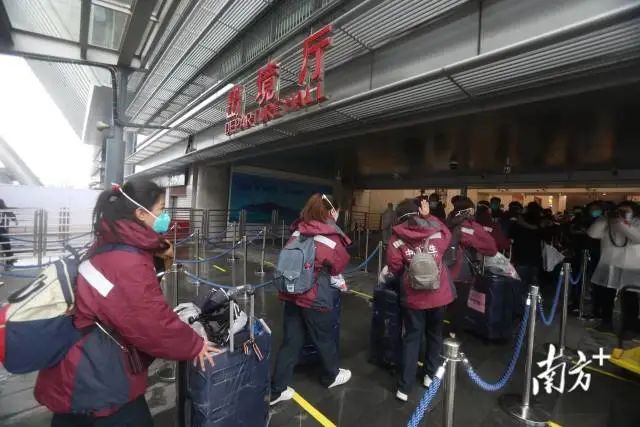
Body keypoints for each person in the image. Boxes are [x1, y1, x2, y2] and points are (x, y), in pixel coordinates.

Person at [35, 180, 217, 426]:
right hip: (97, 375)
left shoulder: (111, 242)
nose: (165, 216)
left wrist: (157, 255)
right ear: (141, 213)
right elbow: (150, 322)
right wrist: (194, 345)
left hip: (79, 366)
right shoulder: (127, 260)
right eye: (161, 209)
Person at [270, 194, 352, 405]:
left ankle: (277, 389)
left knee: (291, 342)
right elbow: (339, 264)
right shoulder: (329, 236)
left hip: (291, 293)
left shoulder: (297, 231)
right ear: (332, 211)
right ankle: (331, 375)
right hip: (314, 297)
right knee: (324, 338)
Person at [382, 198, 452, 402]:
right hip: (439, 295)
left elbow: (395, 266)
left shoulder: (396, 238)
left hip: (413, 297)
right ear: (418, 213)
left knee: (412, 338)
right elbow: (447, 236)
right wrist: (429, 216)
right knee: (435, 335)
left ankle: (404, 388)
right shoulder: (436, 231)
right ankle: (429, 376)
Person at [588, 201, 640, 335]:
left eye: (625, 211)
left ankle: (629, 327)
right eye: (619, 211)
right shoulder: (609, 222)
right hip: (609, 264)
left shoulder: (637, 223)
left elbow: (637, 237)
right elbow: (593, 233)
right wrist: (604, 219)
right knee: (606, 296)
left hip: (630, 266)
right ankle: (606, 322)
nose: (621, 213)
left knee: (629, 298)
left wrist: (622, 223)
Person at [446, 197, 499, 281]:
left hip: (445, 271)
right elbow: (492, 249)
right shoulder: (469, 228)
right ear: (469, 211)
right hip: (461, 271)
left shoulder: (445, 226)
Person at [0, 198, 17, 269]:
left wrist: (14, 219)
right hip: (2, 230)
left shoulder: (3, 206)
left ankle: (9, 260)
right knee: (6, 244)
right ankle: (9, 260)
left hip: (2, 229)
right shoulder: (3, 206)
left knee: (6, 244)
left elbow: (9, 213)